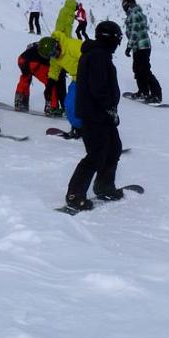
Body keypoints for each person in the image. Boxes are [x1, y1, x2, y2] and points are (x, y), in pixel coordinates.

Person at [65, 20, 125, 211]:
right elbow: (99, 87)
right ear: (111, 39)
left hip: (99, 112)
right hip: (94, 114)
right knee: (96, 154)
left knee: (114, 148)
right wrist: (109, 107)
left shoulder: (99, 54)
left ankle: (104, 185)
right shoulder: (98, 55)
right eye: (117, 39)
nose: (118, 43)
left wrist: (110, 110)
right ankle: (75, 195)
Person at [121, 0, 162, 103]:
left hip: (142, 46)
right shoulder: (135, 13)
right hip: (138, 47)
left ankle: (156, 95)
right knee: (137, 69)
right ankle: (143, 91)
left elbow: (135, 31)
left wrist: (129, 46)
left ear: (128, 5)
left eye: (124, 5)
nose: (124, 8)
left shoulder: (134, 14)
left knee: (144, 70)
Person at [38, 31, 83, 123]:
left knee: (84, 103)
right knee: (69, 104)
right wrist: (49, 87)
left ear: (56, 44)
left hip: (90, 77)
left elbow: (90, 58)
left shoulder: (72, 46)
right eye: (52, 55)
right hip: (77, 79)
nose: (55, 55)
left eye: (55, 51)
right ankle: (78, 128)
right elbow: (54, 70)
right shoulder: (56, 58)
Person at [14, 41, 51, 111]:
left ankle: (20, 101)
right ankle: (50, 106)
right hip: (35, 63)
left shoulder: (38, 45)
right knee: (50, 83)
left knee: (25, 79)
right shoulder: (50, 47)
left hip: (22, 60)